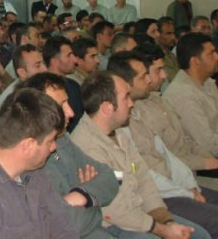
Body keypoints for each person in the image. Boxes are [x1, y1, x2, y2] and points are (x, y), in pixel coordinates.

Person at [71, 71, 206, 239]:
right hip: (113, 224)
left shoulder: (118, 133)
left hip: (140, 212)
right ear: (107, 108)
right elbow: (116, 210)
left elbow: (143, 177)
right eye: (126, 98)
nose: (131, 103)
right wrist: (162, 230)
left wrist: (165, 220)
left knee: (199, 235)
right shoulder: (88, 147)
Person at [108, 50, 218, 239]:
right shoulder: (119, 123)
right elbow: (142, 176)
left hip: (177, 184)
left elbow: (167, 154)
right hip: (159, 195)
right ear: (125, 83)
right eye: (144, 76)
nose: (150, 80)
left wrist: (189, 186)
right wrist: (186, 191)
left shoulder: (145, 106)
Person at [0, 87, 79, 238]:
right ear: (28, 146)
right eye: (50, 141)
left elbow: (64, 227)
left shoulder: (34, 171)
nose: (54, 147)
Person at [21, 72, 119, 239]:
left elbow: (111, 177)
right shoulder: (29, 162)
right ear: (38, 112)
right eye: (61, 105)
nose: (71, 112)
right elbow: (67, 224)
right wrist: (95, 205)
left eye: (68, 102)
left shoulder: (62, 140)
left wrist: (82, 194)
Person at [164, 32, 218, 157]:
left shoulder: (207, 82)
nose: (216, 57)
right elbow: (206, 143)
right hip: (204, 159)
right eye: (211, 54)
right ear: (195, 61)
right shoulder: (183, 94)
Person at [43, 36, 84, 132]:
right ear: (54, 61)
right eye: (68, 55)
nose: (75, 60)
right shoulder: (44, 92)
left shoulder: (74, 85)